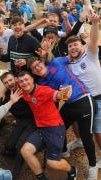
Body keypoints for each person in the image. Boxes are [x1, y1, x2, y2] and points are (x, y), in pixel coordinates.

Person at [29, 56, 98, 179]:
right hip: (67, 104)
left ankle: (93, 166)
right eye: (34, 68)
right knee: (58, 125)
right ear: (33, 72)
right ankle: (64, 150)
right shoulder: (41, 83)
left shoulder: (56, 63)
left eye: (38, 64)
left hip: (83, 100)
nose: (37, 67)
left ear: (42, 62)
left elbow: (73, 56)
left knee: (86, 136)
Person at [17, 71, 77, 180]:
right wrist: (3, 92)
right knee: (25, 151)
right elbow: (10, 82)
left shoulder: (44, 90)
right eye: (21, 81)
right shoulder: (24, 91)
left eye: (26, 80)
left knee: (52, 163)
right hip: (41, 128)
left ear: (32, 80)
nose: (24, 83)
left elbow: (57, 95)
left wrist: (64, 92)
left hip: (55, 128)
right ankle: (42, 178)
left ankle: (72, 170)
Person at [0, 71, 36, 179]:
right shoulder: (7, 96)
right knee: (9, 146)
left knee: (21, 147)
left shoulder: (26, 87)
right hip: (21, 121)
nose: (9, 83)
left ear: (16, 79)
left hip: (34, 121)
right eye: (6, 83)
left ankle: (15, 174)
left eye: (10, 80)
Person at [65, 13, 101, 172]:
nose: (73, 48)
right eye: (70, 46)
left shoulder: (90, 55)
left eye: (76, 45)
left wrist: (94, 23)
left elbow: (93, 39)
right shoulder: (68, 65)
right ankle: (79, 140)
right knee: (75, 122)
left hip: (98, 99)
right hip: (81, 101)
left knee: (98, 132)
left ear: (82, 46)